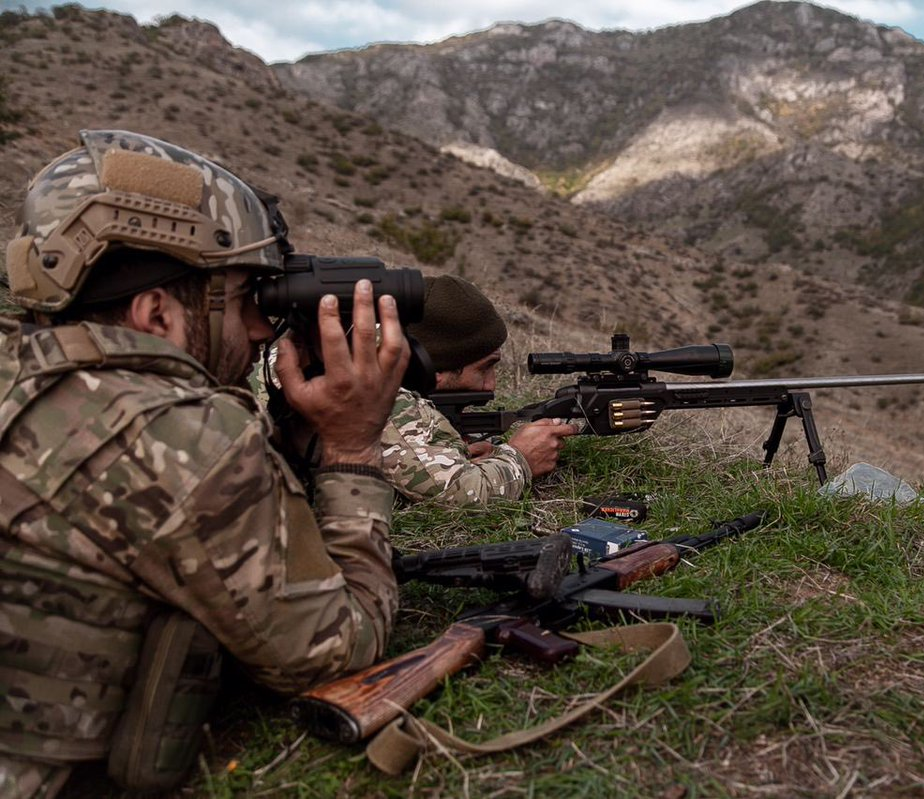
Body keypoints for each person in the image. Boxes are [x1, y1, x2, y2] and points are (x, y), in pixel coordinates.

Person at [0, 130, 407, 797]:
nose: (257, 329)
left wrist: (289, 437)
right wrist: (352, 446)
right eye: (246, 299)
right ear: (156, 312)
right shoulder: (180, 441)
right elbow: (340, 646)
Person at [384, 275, 576, 506]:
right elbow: (463, 495)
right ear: (433, 371)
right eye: (484, 368)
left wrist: (455, 453)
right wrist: (521, 458)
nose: (491, 385)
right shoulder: (380, 394)